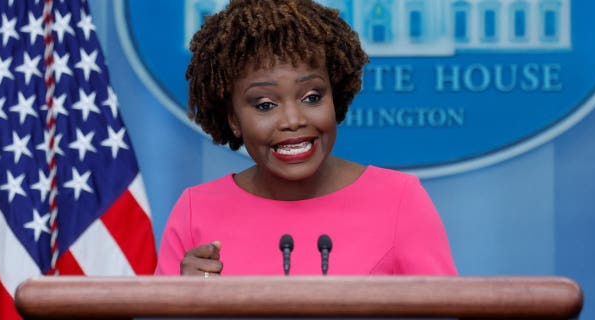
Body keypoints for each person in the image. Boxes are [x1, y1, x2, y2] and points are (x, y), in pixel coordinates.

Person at [155, 0, 457, 276]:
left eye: (312, 97)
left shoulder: (399, 200)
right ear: (234, 119)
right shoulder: (196, 211)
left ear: (334, 98)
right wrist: (184, 304)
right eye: (265, 105)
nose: (293, 120)